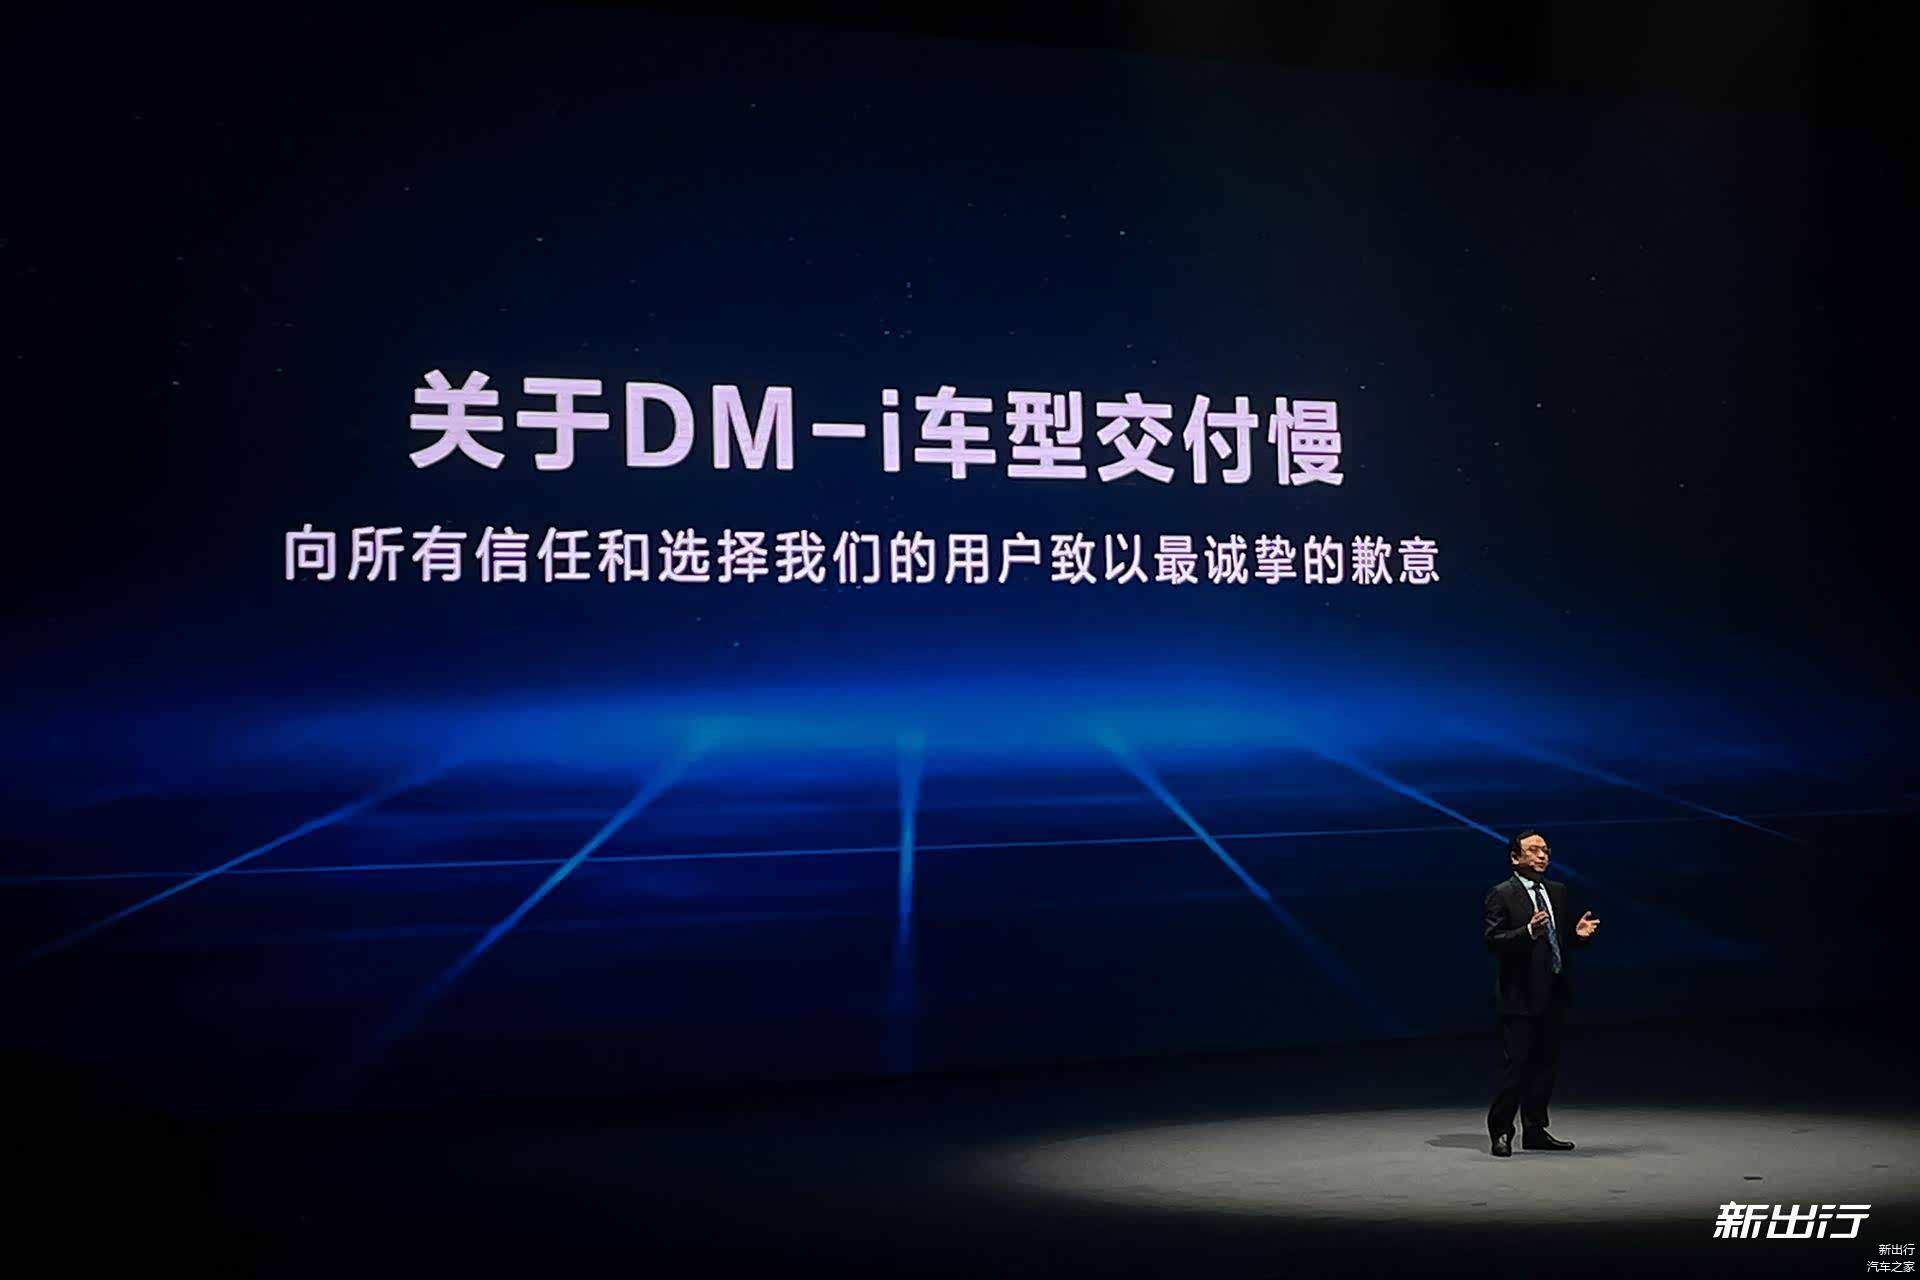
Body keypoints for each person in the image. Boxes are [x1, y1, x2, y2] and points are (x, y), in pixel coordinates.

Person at [1483, 830, 1600, 1156]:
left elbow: (1556, 942)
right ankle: (1501, 1130)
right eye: (1534, 850)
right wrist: (1527, 931)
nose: (1542, 855)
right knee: (1517, 1067)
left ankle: (1535, 1130)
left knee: (1545, 1066)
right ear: (1515, 857)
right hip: (1519, 994)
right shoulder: (1501, 894)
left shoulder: (1557, 891)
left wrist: (1577, 936)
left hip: (1553, 991)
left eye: (1546, 850)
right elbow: (1493, 941)